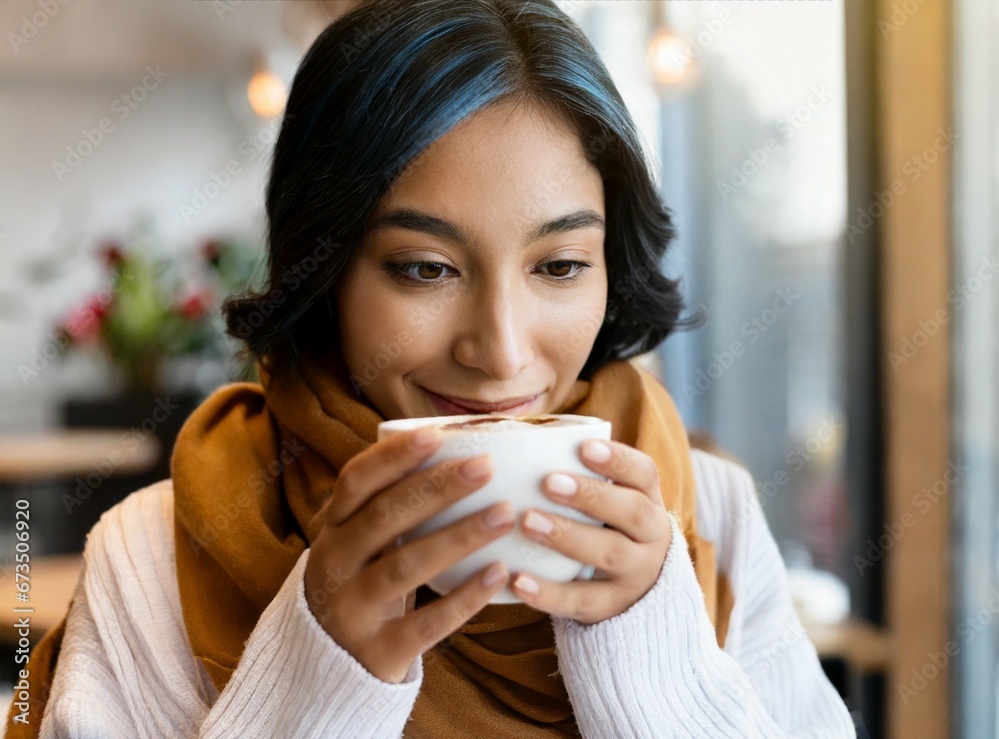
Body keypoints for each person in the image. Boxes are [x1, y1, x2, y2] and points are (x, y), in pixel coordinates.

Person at [7, 1, 855, 736]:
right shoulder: (156, 549)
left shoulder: (707, 512)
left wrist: (653, 649)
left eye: (559, 266)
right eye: (424, 267)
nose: (502, 351)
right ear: (324, 267)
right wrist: (318, 673)